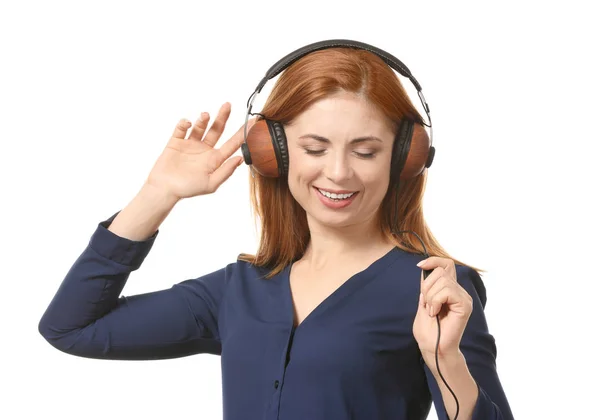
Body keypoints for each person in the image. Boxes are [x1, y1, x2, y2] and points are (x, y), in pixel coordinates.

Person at [38, 41, 514, 420]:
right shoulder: (239, 290)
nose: (339, 172)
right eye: (315, 147)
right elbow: (71, 327)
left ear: (404, 159)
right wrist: (158, 194)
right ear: (274, 153)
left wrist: (445, 360)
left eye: (366, 152)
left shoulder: (433, 289)